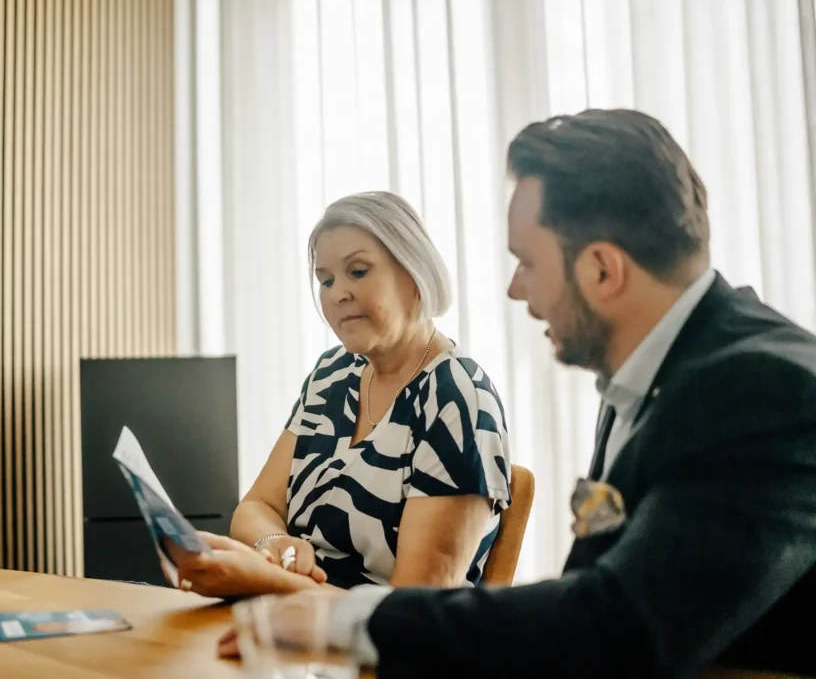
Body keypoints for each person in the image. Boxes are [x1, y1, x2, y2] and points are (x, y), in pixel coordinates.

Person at [217, 109, 816, 678]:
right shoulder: (652, 376)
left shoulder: (762, 390)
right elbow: (595, 596)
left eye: (527, 263)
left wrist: (338, 616)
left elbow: (613, 633)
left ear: (603, 270)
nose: (514, 289)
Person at [176, 191, 512, 599]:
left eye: (358, 271)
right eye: (326, 279)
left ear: (414, 274)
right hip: (294, 629)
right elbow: (255, 508)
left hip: (381, 653)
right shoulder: (331, 374)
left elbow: (413, 611)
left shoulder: (458, 400)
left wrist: (271, 581)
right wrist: (273, 545)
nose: (337, 294)